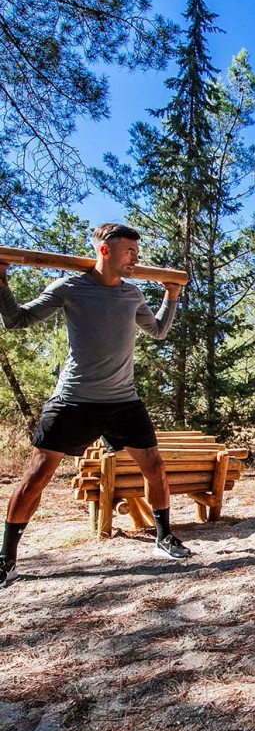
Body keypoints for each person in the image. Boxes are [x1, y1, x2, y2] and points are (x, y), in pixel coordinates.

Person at [0, 224, 191, 590]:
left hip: (123, 400)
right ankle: (6, 559)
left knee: (155, 468)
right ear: (105, 251)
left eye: (137, 251)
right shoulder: (70, 288)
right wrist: (1, 282)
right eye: (129, 252)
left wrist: (172, 294)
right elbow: (17, 320)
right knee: (36, 477)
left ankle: (164, 536)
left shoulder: (132, 294)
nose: (136, 258)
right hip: (74, 399)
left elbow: (159, 331)